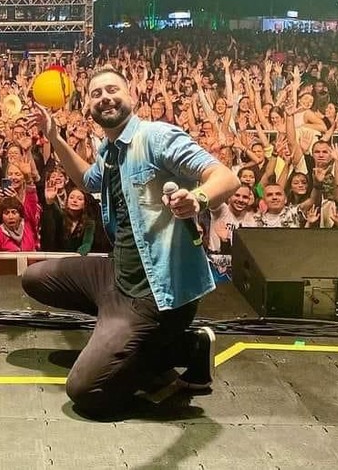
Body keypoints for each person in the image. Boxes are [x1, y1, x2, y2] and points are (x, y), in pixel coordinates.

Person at [23, 67, 240, 418]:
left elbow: (225, 177)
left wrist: (197, 198)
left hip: (153, 292)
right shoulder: (110, 149)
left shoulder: (156, 137)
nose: (105, 97)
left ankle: (183, 348)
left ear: (132, 97)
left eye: (113, 90)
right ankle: (124, 333)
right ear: (89, 107)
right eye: (96, 93)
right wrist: (54, 136)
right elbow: (88, 181)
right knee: (34, 278)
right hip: (117, 274)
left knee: (86, 390)